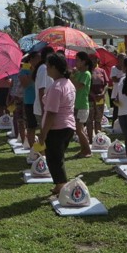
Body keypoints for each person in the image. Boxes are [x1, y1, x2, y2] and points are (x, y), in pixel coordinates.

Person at [38, 53, 76, 195]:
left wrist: (43, 133)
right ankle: (60, 185)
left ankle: (61, 186)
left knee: (54, 159)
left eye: (48, 67)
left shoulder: (56, 86)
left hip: (57, 127)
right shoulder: (68, 83)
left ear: (54, 67)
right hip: (67, 126)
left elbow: (52, 113)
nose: (46, 70)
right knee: (57, 158)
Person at [71, 51, 92, 158]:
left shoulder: (87, 74)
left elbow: (79, 86)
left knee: (79, 130)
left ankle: (87, 150)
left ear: (84, 62)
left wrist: (72, 77)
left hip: (83, 106)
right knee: (79, 130)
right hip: (77, 105)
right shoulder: (78, 73)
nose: (76, 62)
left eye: (78, 60)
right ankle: (83, 149)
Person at [20, 52, 41, 150]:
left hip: (40, 100)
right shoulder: (24, 70)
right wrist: (32, 73)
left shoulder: (42, 69)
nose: (39, 60)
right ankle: (32, 148)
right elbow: (24, 84)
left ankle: (41, 147)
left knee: (41, 126)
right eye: (37, 58)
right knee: (31, 125)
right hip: (30, 101)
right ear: (31, 59)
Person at [87, 55, 110, 140]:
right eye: (91, 59)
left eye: (95, 59)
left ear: (98, 60)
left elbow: (106, 84)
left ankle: (98, 139)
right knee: (90, 119)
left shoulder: (102, 71)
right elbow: (86, 86)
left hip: (100, 98)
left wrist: (103, 93)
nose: (93, 61)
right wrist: (92, 94)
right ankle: (90, 139)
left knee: (98, 119)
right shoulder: (87, 71)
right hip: (90, 98)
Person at [33, 46, 55, 128]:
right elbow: (41, 90)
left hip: (47, 107)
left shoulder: (47, 68)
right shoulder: (44, 69)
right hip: (43, 108)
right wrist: (43, 110)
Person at [109, 53, 126, 123]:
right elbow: (114, 79)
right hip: (116, 93)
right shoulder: (114, 68)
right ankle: (114, 125)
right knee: (116, 110)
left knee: (124, 110)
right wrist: (124, 79)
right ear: (118, 59)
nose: (123, 60)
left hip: (125, 92)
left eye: (124, 58)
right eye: (122, 58)